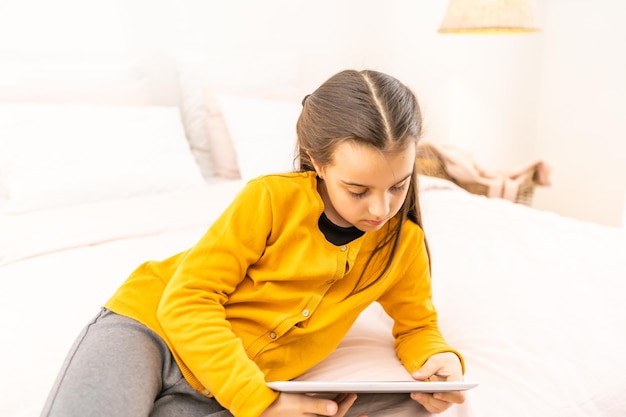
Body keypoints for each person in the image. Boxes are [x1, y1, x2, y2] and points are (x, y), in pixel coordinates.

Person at [40, 69, 465, 417]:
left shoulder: (402, 245)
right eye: (357, 190)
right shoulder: (270, 199)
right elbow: (187, 299)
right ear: (317, 162)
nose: (381, 208)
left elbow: (416, 325)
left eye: (399, 186)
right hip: (149, 332)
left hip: (230, 387)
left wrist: (436, 360)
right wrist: (259, 402)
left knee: (410, 409)